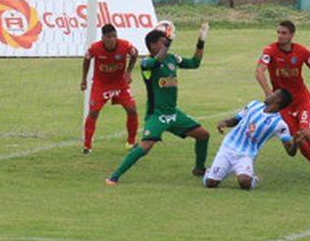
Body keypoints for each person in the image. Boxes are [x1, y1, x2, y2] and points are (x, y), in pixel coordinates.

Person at [105, 24, 211, 185]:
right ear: (153, 45)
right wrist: (168, 42)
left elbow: (195, 63)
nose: (166, 44)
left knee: (203, 135)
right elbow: (157, 61)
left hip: (173, 113)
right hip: (157, 114)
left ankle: (199, 168)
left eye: (165, 42)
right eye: (162, 42)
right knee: (146, 146)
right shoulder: (146, 63)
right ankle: (114, 176)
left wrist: (201, 41)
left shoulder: (172, 59)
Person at [255, 20, 310, 181]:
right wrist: (269, 93)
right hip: (283, 102)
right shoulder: (270, 50)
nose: (280, 36)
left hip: (301, 99)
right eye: (278, 32)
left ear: (292, 35)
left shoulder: (302, 51)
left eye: (284, 33)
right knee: (296, 136)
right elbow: (259, 71)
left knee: (305, 131)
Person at [204, 90, 308, 191]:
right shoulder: (253, 105)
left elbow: (291, 152)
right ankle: (214, 171)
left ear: (278, 100)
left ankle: (252, 178)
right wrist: (224, 123)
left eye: (273, 94)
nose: (269, 94)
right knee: (210, 183)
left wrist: (295, 142)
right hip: (227, 147)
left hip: (246, 155)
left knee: (244, 183)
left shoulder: (279, 124)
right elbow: (236, 120)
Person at [80, 24, 139, 153]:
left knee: (132, 110)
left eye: (114, 36)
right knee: (93, 112)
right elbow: (86, 59)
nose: (112, 39)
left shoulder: (124, 45)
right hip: (101, 85)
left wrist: (128, 72)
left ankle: (131, 142)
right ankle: (87, 145)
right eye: (109, 37)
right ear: (103, 38)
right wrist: (84, 79)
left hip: (120, 84)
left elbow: (135, 53)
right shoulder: (95, 48)